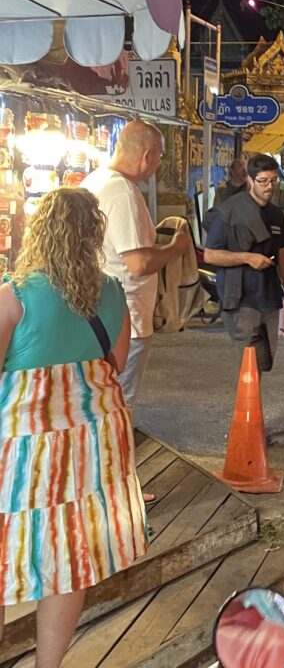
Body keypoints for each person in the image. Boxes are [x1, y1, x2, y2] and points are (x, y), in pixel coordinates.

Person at [0, 188, 147, 667]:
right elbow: (116, 364)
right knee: (68, 558)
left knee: (6, 549)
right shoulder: (110, 292)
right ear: (93, 235)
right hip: (93, 443)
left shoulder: (14, 294)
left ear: (39, 231)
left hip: (25, 451)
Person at [83, 120, 193, 408]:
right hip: (126, 317)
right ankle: (117, 452)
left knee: (101, 397)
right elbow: (138, 262)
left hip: (98, 312)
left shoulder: (94, 181)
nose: (158, 165)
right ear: (148, 155)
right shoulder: (122, 192)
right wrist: (175, 248)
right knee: (120, 403)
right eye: (159, 157)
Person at [204, 154, 284, 380]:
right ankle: (247, 413)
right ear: (250, 180)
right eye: (263, 181)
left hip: (268, 295)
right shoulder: (228, 212)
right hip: (240, 297)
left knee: (264, 360)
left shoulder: (276, 213)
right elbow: (210, 254)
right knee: (249, 362)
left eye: (273, 181)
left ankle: (252, 409)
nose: (269, 187)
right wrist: (247, 257)